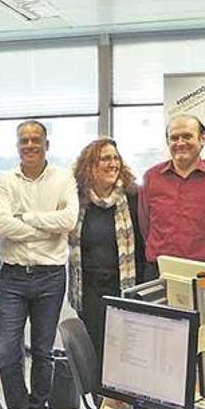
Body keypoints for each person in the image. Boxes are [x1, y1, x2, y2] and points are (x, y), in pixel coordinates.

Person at [0, 120, 78, 409]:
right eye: (24, 140)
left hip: (50, 276)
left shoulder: (62, 178)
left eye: (35, 140)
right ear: (17, 146)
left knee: (43, 352)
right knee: (8, 353)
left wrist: (25, 218)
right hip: (12, 276)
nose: (30, 145)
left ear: (46, 144)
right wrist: (46, 224)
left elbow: (69, 222)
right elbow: (2, 226)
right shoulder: (4, 181)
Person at [68, 138, 145, 360]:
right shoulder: (77, 200)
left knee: (124, 354)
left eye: (115, 158)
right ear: (90, 166)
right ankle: (100, 396)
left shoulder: (133, 197)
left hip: (124, 288)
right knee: (96, 353)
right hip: (90, 291)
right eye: (105, 159)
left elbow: (143, 244)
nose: (113, 164)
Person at [138, 114, 205, 279]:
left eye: (187, 136)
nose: (180, 143)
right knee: (153, 306)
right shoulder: (151, 178)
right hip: (159, 273)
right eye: (174, 138)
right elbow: (145, 227)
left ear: (203, 138)